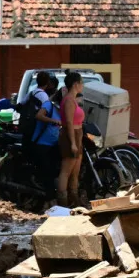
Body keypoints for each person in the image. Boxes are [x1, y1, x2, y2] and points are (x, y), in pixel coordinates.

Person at [27, 71, 62, 189]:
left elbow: (21, 103)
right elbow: (39, 116)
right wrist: (54, 121)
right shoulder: (47, 102)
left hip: (52, 142)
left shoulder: (33, 92)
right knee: (48, 171)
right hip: (42, 142)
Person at [57, 70, 87, 206]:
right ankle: (62, 202)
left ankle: (74, 201)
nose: (83, 85)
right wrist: (73, 143)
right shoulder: (68, 100)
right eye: (81, 82)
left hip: (78, 136)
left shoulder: (74, 99)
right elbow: (69, 122)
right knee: (66, 171)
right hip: (71, 136)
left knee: (75, 172)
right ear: (76, 84)